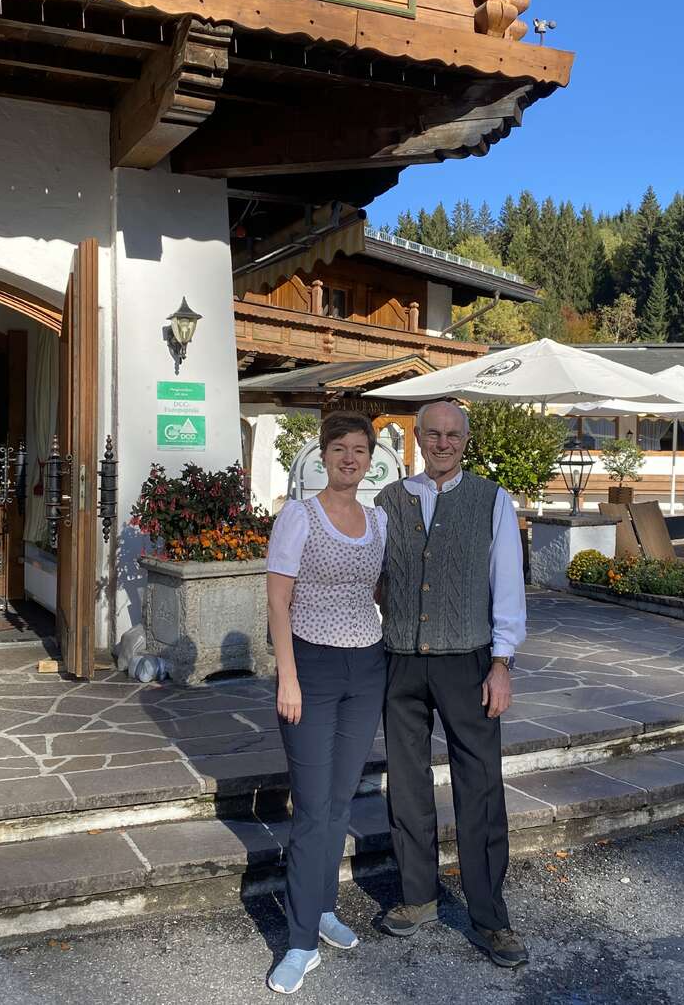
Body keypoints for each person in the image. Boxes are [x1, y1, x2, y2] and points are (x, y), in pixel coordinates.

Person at [375, 399, 528, 968]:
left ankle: (491, 917)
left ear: (466, 441)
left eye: (452, 436)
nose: (442, 444)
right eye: (433, 435)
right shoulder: (390, 500)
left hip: (469, 659)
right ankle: (417, 896)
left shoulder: (491, 500)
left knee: (481, 787)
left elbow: (506, 583)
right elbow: (377, 577)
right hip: (401, 661)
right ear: (417, 438)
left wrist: (503, 662)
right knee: (408, 783)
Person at [265, 411, 387, 995]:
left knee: (340, 801)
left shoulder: (379, 520)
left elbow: (382, 590)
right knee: (312, 808)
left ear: (370, 458)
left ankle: (324, 909)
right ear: (323, 454)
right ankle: (299, 941)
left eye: (359, 449)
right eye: (339, 448)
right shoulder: (299, 515)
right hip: (309, 666)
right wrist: (287, 678)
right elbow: (278, 603)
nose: (348, 458)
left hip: (367, 666)